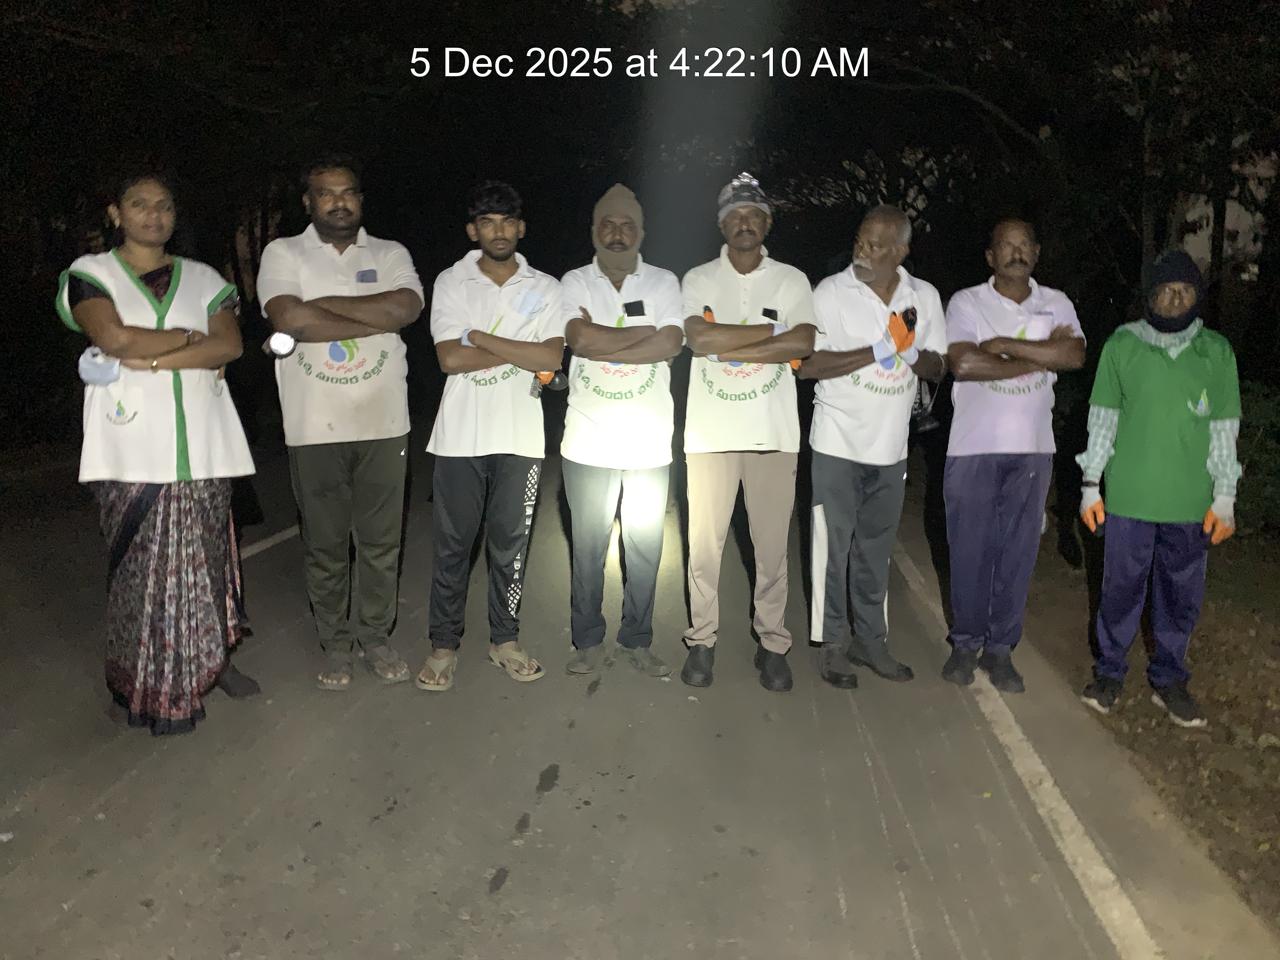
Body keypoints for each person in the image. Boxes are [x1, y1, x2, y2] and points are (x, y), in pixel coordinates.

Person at [54, 172, 256, 734]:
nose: (153, 214)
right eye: (139, 204)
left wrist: (154, 357)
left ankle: (212, 664)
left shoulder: (205, 278)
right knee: (139, 575)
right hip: (130, 448)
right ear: (116, 213)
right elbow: (114, 338)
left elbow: (231, 344)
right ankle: (138, 683)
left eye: (164, 205)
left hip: (205, 447)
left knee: (208, 563)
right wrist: (192, 340)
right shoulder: (89, 274)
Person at [258, 155, 424, 691]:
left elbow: (406, 309)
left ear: (360, 199)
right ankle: (335, 644)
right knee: (325, 546)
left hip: (385, 423)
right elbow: (288, 317)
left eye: (348, 192)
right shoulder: (283, 253)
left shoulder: (390, 252)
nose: (339, 202)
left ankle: (375, 638)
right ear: (308, 202)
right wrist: (370, 312)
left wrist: (317, 310)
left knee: (381, 544)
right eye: (326, 193)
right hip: (313, 426)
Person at [1077, 250, 1241, 728]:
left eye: (1185, 291)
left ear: (1197, 297)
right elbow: (1103, 421)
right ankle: (1109, 673)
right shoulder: (1122, 345)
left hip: (1190, 504)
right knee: (1120, 590)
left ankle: (1169, 680)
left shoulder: (1216, 352)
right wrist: (1090, 484)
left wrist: (1225, 496)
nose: (1175, 299)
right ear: (1150, 296)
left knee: (1179, 596)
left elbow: (1224, 430)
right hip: (1129, 499)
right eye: (1166, 290)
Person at [416, 181, 564, 691]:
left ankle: (506, 641)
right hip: (459, 437)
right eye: (487, 222)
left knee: (511, 548)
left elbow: (550, 357)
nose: (498, 231)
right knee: (452, 548)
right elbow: (448, 358)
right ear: (472, 230)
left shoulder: (546, 286)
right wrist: (520, 347)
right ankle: (443, 647)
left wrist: (479, 336)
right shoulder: (452, 281)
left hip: (521, 438)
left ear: (521, 228)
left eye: (507, 222)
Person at [679, 172, 818, 692]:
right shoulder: (697, 279)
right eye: (735, 215)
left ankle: (773, 643)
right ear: (721, 224)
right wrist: (773, 333)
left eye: (754, 215)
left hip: (773, 435)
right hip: (709, 434)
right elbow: (697, 339)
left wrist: (727, 341)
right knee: (704, 549)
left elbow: (803, 342)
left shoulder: (792, 280)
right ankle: (702, 640)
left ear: (767, 222)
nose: (744, 223)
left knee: (772, 550)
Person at [799, 206, 947, 688]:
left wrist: (909, 350)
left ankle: (870, 641)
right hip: (837, 442)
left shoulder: (923, 296)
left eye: (876, 245)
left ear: (901, 251)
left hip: (891, 447)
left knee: (875, 551)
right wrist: (880, 350)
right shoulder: (830, 292)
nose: (863, 250)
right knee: (831, 548)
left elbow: (938, 367)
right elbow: (808, 365)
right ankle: (832, 644)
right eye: (860, 240)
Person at [940, 219, 1085, 692]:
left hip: (1033, 449)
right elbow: (964, 363)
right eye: (1006, 245)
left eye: (1024, 245)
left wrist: (1002, 347)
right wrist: (1042, 354)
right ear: (991, 256)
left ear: (1037, 253)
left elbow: (1074, 356)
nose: (1016, 253)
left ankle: (1000, 650)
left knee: (1017, 555)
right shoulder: (966, 302)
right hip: (973, 446)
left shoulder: (1056, 302)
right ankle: (965, 644)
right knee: (969, 551)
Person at [560, 184, 684, 678]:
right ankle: (587, 640)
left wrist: (603, 340)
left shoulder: (663, 282)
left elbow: (672, 343)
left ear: (641, 232)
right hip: (586, 441)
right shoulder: (574, 281)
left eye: (627, 225)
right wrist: (644, 336)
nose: (617, 233)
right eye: (608, 224)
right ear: (594, 230)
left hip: (648, 443)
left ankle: (637, 640)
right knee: (587, 550)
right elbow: (577, 339)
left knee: (645, 549)